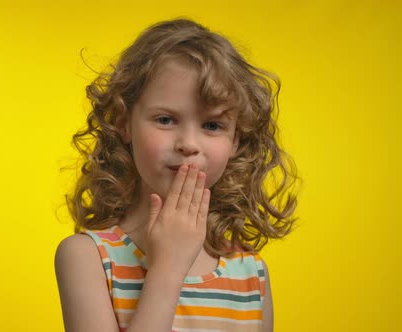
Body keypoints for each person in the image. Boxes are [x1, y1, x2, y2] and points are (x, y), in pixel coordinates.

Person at [55, 18, 298, 332]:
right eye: (166, 119)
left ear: (235, 139)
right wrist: (167, 268)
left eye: (212, 125)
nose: (188, 144)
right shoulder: (86, 258)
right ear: (124, 122)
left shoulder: (252, 275)